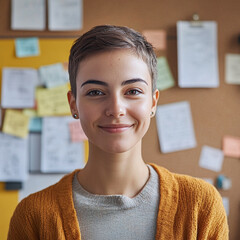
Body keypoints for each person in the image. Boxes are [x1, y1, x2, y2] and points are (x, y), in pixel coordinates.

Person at [8, 25, 228, 240]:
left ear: (153, 102)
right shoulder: (33, 216)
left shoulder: (201, 205)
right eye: (95, 92)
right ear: (73, 105)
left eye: (133, 91)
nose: (115, 109)